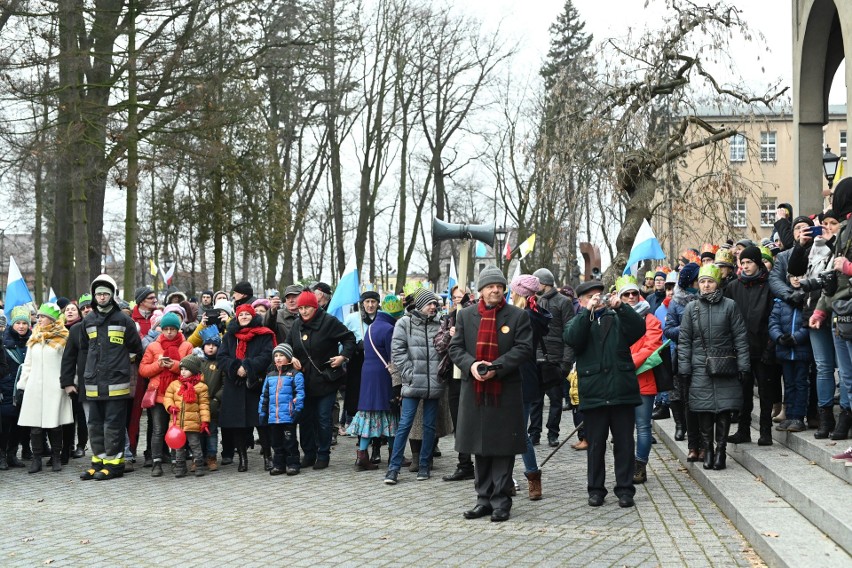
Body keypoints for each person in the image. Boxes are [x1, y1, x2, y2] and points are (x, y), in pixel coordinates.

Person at [448, 266, 533, 522]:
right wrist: (471, 365)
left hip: (504, 392)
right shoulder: (465, 315)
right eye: (490, 286)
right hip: (474, 391)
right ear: (481, 290)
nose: (495, 290)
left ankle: (501, 502)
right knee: (479, 448)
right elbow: (456, 348)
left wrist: (496, 368)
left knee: (503, 449)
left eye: (499, 286)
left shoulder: (518, 316)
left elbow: (524, 349)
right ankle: (482, 500)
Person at [564, 278, 645, 508]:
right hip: (594, 392)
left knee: (624, 444)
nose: (596, 299)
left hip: (621, 391)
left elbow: (638, 329)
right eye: (590, 297)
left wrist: (621, 306)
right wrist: (586, 313)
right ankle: (596, 490)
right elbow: (571, 339)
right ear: (580, 301)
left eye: (598, 295)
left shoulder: (618, 317)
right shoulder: (579, 320)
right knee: (596, 445)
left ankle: (625, 489)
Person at [677, 264, 750, 470]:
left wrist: (744, 366)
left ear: (717, 283)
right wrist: (684, 369)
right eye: (702, 281)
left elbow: (740, 339)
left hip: (725, 365)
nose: (706, 285)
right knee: (704, 410)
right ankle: (707, 448)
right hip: (700, 366)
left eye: (710, 281)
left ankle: (721, 451)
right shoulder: (692, 308)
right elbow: (685, 341)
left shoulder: (730, 306)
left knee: (724, 409)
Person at [75, 274, 144, 481]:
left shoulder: (124, 320)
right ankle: (99, 462)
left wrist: (120, 364)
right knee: (94, 425)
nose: (102, 298)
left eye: (105, 294)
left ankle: (115, 465)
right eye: (98, 294)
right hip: (94, 383)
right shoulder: (88, 321)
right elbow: (85, 349)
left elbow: (136, 349)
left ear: (113, 295)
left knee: (113, 425)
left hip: (116, 383)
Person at [287, 290, 355, 470]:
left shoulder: (328, 322)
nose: (303, 311)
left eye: (307, 307)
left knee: (324, 418)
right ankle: (309, 453)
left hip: (326, 379)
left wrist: (343, 357)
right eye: (300, 308)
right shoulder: (296, 326)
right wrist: (290, 358)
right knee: (305, 419)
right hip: (303, 382)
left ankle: (323, 453)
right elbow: (287, 346)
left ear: (315, 306)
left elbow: (349, 339)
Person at [383, 288, 445, 484]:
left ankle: (424, 466)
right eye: (430, 303)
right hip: (412, 383)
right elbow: (398, 352)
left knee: (429, 427)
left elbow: (445, 351)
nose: (433, 306)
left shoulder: (441, 324)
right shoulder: (404, 323)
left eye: (435, 303)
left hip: (434, 384)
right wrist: (410, 375)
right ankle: (393, 469)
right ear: (419, 305)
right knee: (405, 425)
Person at [811, 179, 852, 444]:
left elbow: (843, 272)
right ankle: (846, 416)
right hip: (840, 310)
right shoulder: (846, 228)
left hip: (848, 310)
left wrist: (849, 268)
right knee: (847, 375)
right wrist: (820, 310)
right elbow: (833, 280)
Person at [724, 245, 775, 445]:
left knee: (765, 392)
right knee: (743, 393)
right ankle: (743, 430)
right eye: (742, 262)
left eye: (749, 262)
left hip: (763, 347)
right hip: (741, 349)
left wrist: (770, 346)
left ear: (758, 263)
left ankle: (765, 431)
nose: (745, 266)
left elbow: (773, 317)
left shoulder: (770, 285)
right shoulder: (734, 287)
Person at [348, 295, 404, 470]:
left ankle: (362, 457)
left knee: (369, 416)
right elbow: (393, 357)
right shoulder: (389, 329)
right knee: (390, 414)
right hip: (383, 377)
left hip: (368, 377)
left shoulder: (371, 327)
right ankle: (396, 456)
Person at [615, 276, 662, 484]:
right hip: (620, 381)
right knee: (623, 428)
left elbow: (651, 346)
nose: (632, 297)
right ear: (620, 297)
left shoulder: (650, 319)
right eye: (626, 294)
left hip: (643, 379)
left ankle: (640, 465)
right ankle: (624, 464)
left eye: (634, 293)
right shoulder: (612, 316)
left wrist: (627, 364)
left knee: (643, 426)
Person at [218, 304, 276, 471]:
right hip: (234, 384)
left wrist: (248, 367)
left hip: (255, 384)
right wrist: (236, 367)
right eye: (241, 314)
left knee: (261, 423)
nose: (244, 317)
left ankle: (268, 457)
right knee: (238, 425)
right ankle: (243, 459)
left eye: (247, 314)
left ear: (253, 316)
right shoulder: (229, 336)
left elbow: (267, 355)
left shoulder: (263, 334)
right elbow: (222, 357)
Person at [16, 303, 73, 473]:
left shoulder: (63, 337)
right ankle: (36, 459)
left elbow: (68, 364)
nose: (38, 319)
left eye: (42, 316)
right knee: (35, 426)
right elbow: (28, 364)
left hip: (55, 386)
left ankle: (56, 457)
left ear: (52, 319)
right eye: (38, 316)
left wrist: (68, 382)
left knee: (54, 424)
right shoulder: (34, 336)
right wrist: (23, 384)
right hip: (34, 386)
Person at [509, 274, 551, 501]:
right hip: (520, 378)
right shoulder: (532, 315)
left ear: (518, 293)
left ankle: (530, 478)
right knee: (516, 432)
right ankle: (524, 478)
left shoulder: (523, 316)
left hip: (519, 379)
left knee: (516, 432)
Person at [138, 312, 194, 476]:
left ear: (178, 329)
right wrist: (159, 365)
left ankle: (178, 462)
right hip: (158, 395)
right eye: (166, 329)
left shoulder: (186, 346)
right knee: (158, 429)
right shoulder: (153, 346)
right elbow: (143, 370)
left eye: (172, 329)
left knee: (177, 428)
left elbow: (191, 368)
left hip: (178, 394)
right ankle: (156, 462)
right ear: (161, 329)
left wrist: (174, 365)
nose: (169, 332)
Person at [529, 267, 574, 448]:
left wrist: (566, 362)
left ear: (544, 284)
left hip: (555, 359)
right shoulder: (533, 302)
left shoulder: (563, 302)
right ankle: (534, 433)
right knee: (535, 400)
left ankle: (552, 433)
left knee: (555, 400)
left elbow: (569, 333)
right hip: (535, 359)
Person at [435, 286, 476, 481]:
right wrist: (450, 334)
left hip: (475, 374)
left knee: (477, 420)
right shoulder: (448, 318)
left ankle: (485, 464)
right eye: (456, 298)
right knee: (458, 421)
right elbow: (439, 345)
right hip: (453, 374)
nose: (459, 301)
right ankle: (464, 463)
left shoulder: (478, 315)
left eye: (463, 298)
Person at [665, 263, 702, 459]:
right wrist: (686, 327)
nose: (701, 284)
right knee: (682, 397)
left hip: (703, 356)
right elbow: (669, 330)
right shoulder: (676, 303)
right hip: (683, 355)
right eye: (698, 280)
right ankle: (685, 432)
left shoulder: (706, 299)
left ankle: (702, 441)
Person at [769, 272, 811, 433]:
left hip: (801, 349)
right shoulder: (781, 300)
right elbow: (773, 322)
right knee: (789, 383)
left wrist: (796, 338)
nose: (796, 278)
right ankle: (789, 415)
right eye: (792, 275)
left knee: (801, 382)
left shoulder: (808, 298)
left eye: (799, 275)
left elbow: (808, 323)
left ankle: (798, 417)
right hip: (785, 350)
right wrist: (779, 337)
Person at [259, 343, 305, 476]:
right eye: (276, 356)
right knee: (276, 442)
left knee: (289, 441)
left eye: (282, 355)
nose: (278, 358)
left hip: (288, 415)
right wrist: (262, 412)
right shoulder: (270, 375)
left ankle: (293, 464)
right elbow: (264, 396)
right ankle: (279, 464)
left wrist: (297, 409)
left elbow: (300, 394)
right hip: (274, 417)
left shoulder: (295, 374)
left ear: (289, 358)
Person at [163, 354, 211, 478]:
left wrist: (205, 421)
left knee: (195, 444)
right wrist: (170, 406)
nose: (183, 372)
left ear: (194, 371)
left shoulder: (201, 387)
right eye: (182, 369)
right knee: (178, 447)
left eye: (186, 370)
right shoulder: (175, 385)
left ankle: (199, 464)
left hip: (193, 422)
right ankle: (180, 466)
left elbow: (204, 405)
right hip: (177, 422)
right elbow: (167, 397)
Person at [342, 291, 380, 436]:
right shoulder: (353, 318)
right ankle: (359, 430)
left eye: (373, 302)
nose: (370, 305)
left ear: (377, 303)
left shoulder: (381, 318)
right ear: (362, 303)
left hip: (376, 361)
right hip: (358, 361)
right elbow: (344, 340)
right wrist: (355, 345)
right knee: (357, 396)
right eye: (367, 301)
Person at [1, 307, 28, 468]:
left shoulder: (32, 341)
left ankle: (12, 454)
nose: (21, 326)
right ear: (12, 324)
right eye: (18, 322)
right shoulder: (3, 342)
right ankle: (2, 455)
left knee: (20, 424)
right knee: (5, 425)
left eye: (25, 323)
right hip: (7, 388)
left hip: (24, 389)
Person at [197, 326, 224, 471]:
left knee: (212, 432)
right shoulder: (198, 363)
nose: (211, 348)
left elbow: (225, 385)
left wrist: (216, 400)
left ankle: (211, 457)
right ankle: (198, 457)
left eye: (214, 345)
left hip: (213, 404)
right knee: (197, 433)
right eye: (208, 345)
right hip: (197, 405)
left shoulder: (220, 364)